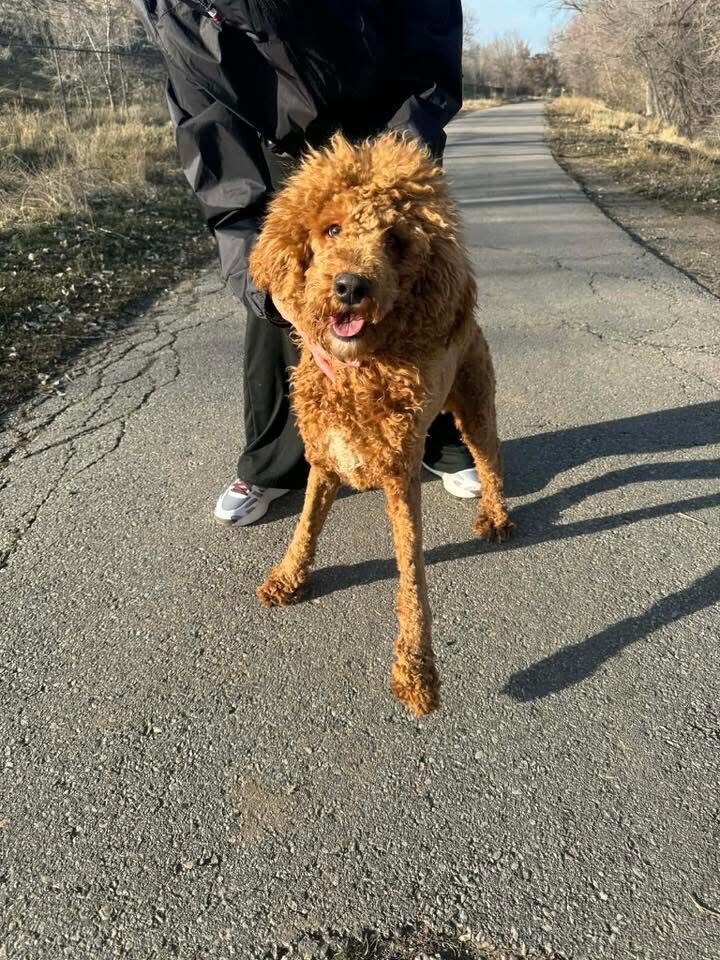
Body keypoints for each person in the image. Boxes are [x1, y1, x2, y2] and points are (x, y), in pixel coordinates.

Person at [134, 0, 481, 525]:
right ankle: (274, 464)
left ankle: (438, 437)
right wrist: (274, 294)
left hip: (392, 127)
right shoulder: (174, 12)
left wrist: (393, 174)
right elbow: (222, 167)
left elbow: (429, 54)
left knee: (413, 291)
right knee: (283, 299)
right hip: (281, 145)